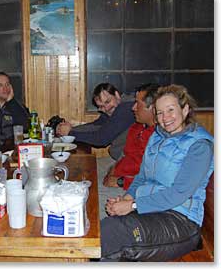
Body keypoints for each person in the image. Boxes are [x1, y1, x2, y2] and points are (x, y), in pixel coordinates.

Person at [101, 84, 214, 261]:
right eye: (160, 112)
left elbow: (178, 194)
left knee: (113, 235)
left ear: (185, 110)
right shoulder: (157, 137)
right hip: (153, 210)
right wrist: (126, 199)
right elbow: (141, 177)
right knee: (106, 228)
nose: (165, 118)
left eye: (170, 110)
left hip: (181, 220)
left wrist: (132, 206)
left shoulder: (199, 146)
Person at [56, 83, 135, 160]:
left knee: (88, 170)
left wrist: (70, 133)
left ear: (117, 94)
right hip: (122, 158)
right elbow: (96, 125)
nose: (106, 108)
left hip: (128, 161)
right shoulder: (114, 109)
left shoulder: (126, 109)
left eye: (108, 102)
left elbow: (101, 139)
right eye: (101, 106)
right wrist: (71, 129)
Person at [103, 83, 158, 190]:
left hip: (133, 186)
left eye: (137, 103)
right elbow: (125, 156)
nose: (133, 108)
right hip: (118, 176)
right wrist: (112, 172)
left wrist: (121, 182)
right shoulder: (136, 127)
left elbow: (157, 177)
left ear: (152, 108)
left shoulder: (161, 136)